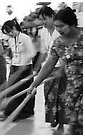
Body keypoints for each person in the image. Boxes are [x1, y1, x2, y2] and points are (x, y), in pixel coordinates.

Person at [27, 7, 83, 135]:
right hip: (72, 91)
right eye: (57, 26)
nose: (58, 29)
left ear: (72, 24)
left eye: (62, 26)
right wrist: (33, 85)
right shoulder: (59, 43)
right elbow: (48, 66)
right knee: (75, 126)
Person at [37, 6, 69, 134]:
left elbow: (67, 53)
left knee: (61, 97)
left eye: (44, 19)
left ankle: (61, 124)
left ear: (51, 16)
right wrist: (37, 69)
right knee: (49, 96)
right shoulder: (43, 32)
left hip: (62, 69)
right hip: (49, 68)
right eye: (40, 20)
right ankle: (53, 119)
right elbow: (44, 52)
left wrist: (61, 68)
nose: (42, 22)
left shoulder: (60, 31)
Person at [0, 18, 36, 121]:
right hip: (14, 66)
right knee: (12, 90)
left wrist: (24, 65)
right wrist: (11, 63)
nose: (9, 36)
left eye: (9, 32)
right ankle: (9, 112)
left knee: (24, 91)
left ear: (14, 28)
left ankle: (26, 111)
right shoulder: (10, 40)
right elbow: (13, 53)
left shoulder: (25, 38)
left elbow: (32, 52)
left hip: (25, 67)